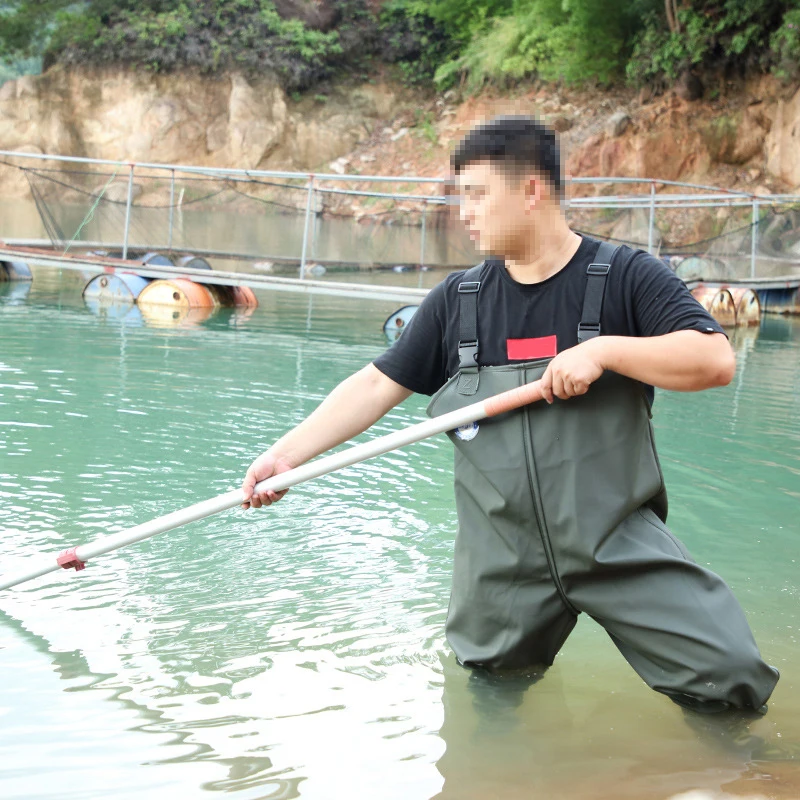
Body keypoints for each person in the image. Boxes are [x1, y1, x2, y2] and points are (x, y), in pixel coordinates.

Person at [242, 115, 778, 716]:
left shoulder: (623, 276)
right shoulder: (459, 302)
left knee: (727, 677)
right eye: (460, 196)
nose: (463, 212)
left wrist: (605, 351)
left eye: (476, 194)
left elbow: (713, 359)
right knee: (488, 699)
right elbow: (374, 384)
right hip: (502, 555)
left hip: (613, 539)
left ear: (531, 191)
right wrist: (285, 457)